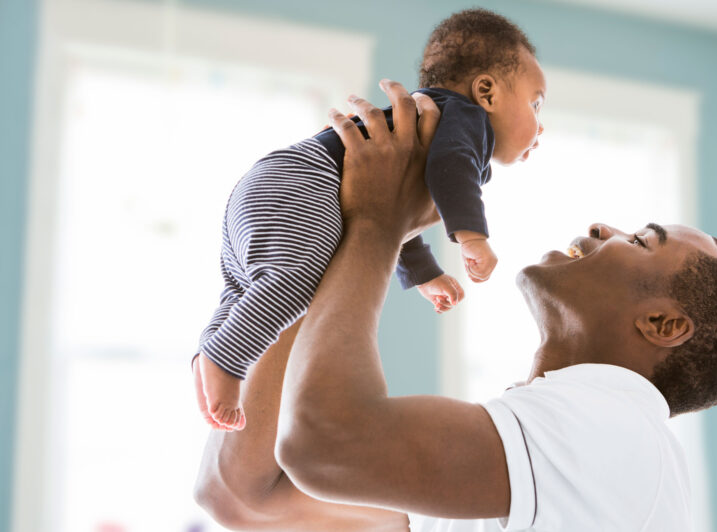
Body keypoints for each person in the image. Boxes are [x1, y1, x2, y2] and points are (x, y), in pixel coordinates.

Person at [192, 81, 717, 531]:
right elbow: (244, 496)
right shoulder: (521, 469)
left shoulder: (617, 431)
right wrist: (325, 233)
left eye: (644, 241)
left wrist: (377, 221)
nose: (604, 225)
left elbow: (326, 442)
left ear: (664, 324)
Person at [192, 8, 546, 432]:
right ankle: (225, 361)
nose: (541, 127)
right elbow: (452, 169)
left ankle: (208, 353)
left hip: (276, 181)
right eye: (536, 104)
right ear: (486, 92)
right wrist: (473, 238)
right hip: (308, 180)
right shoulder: (467, 123)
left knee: (244, 285)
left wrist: (425, 274)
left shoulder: (431, 121)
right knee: (295, 282)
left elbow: (400, 210)